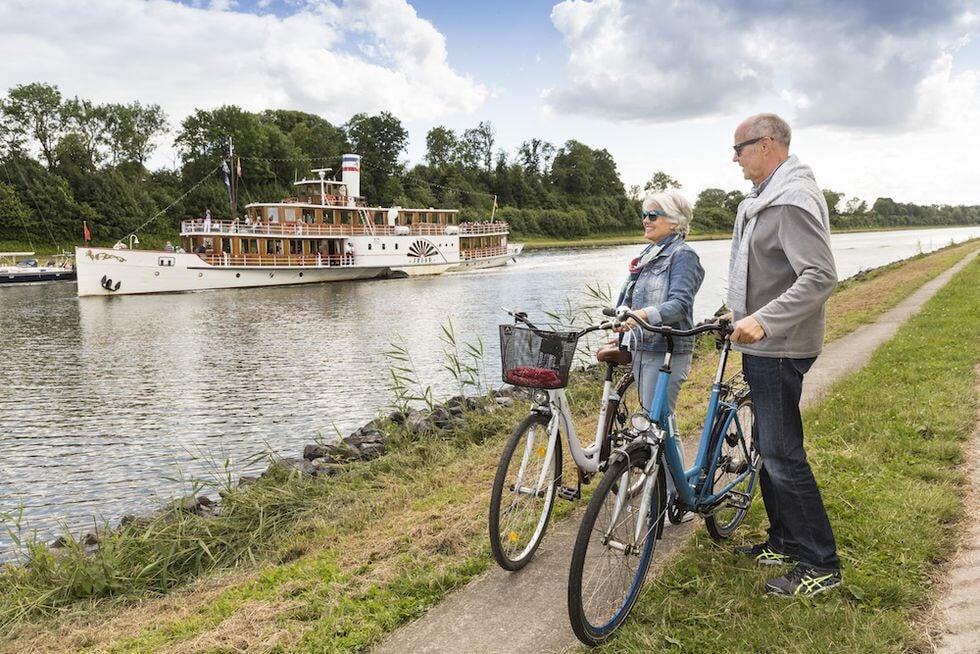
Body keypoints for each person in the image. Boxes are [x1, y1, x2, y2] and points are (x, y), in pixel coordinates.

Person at [726, 113, 841, 597]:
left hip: (778, 345)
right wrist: (733, 311)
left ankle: (819, 563)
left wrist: (763, 320)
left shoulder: (790, 201)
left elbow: (819, 275)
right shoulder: (762, 200)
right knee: (769, 447)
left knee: (781, 452)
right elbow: (763, 271)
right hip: (763, 343)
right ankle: (785, 539)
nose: (735, 158)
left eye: (741, 148)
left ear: (767, 145)